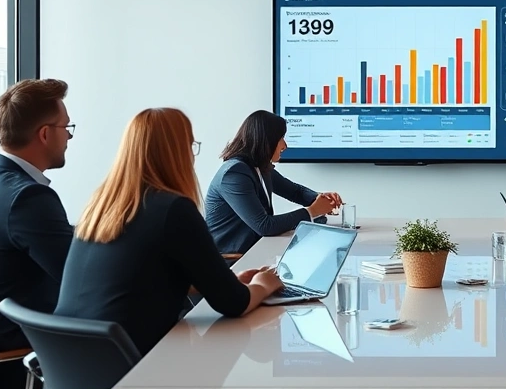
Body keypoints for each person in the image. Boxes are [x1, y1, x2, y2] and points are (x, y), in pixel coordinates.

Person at [55, 108, 283, 356]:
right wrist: (264, 283)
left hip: (75, 361)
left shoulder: (100, 206)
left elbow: (140, 281)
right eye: (191, 145)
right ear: (177, 153)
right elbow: (234, 304)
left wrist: (227, 282)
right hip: (134, 366)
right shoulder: (174, 209)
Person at [0, 78, 74, 387]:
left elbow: (52, 241)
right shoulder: (29, 197)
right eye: (67, 128)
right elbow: (78, 278)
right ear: (45, 134)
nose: (69, 138)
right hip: (18, 345)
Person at [205, 110, 342, 256]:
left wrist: (320, 199)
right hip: (230, 261)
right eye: (281, 138)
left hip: (255, 253)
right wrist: (312, 211)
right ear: (266, 140)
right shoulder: (234, 173)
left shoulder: (258, 166)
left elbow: (294, 191)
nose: (285, 145)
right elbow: (264, 226)